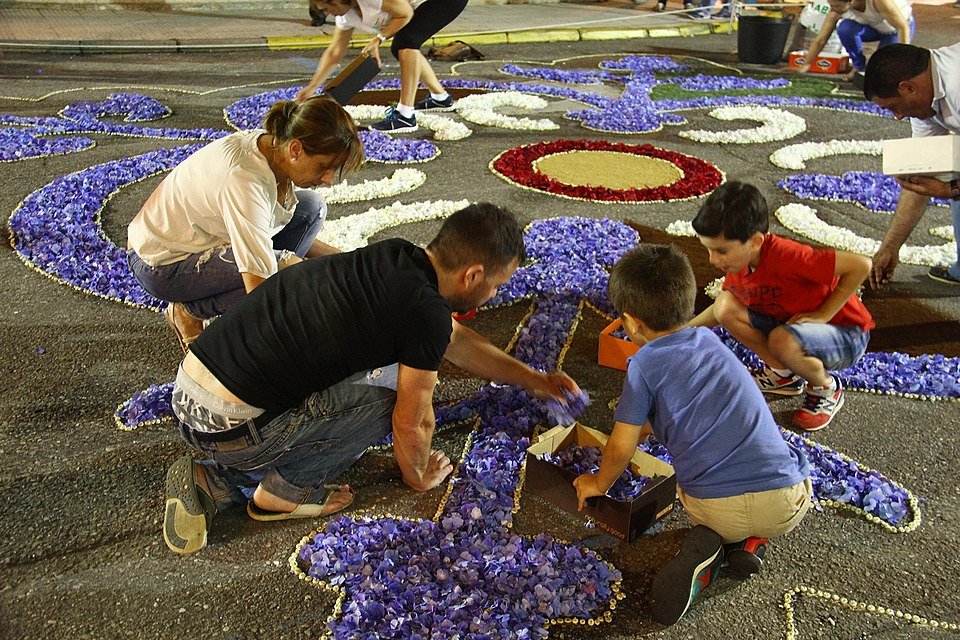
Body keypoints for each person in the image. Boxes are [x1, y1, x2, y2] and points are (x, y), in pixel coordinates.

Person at [162, 203, 581, 555]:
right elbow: (413, 421)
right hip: (235, 428)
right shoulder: (424, 314)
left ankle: (212, 479)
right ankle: (285, 490)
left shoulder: (396, 256)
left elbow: (453, 340)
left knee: (383, 371)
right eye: (496, 285)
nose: (494, 295)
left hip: (191, 396)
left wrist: (533, 379)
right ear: (472, 275)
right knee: (393, 397)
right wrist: (417, 474)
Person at [573, 244, 811, 626]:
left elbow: (622, 444)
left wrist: (597, 483)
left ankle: (716, 543)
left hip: (712, 507)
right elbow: (699, 401)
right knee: (782, 467)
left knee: (701, 491)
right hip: (785, 504)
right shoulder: (711, 343)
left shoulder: (643, 364)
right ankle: (751, 542)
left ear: (631, 324)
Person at [127, 96, 363, 351]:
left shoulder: (272, 147)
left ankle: (219, 296)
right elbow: (259, 289)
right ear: (296, 150)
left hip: (194, 237)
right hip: (161, 264)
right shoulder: (246, 182)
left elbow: (261, 232)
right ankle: (190, 311)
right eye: (324, 167)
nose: (328, 180)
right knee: (286, 271)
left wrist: (349, 262)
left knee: (310, 209)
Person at [688, 182, 874, 431]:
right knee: (724, 306)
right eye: (709, 250)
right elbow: (719, 311)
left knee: (781, 340)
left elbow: (861, 265)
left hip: (847, 333)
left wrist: (823, 314)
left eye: (721, 251)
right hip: (793, 328)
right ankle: (782, 375)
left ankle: (826, 387)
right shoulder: (741, 262)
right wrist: (682, 330)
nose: (712, 260)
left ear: (755, 241)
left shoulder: (789, 256)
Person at [863, 43, 960, 288]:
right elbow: (920, 174)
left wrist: (951, 190)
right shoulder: (926, 96)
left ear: (908, 88)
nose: (897, 116)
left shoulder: (956, 87)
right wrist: (890, 247)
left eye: (892, 107)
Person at [295, 0, 467, 133]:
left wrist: (378, 40)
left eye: (326, 8)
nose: (326, 14)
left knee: (406, 42)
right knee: (401, 47)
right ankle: (441, 98)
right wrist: (312, 87)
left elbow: (405, 13)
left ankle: (405, 115)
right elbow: (335, 52)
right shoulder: (345, 16)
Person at [793, 0, 912, 81]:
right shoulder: (835, 11)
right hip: (872, 28)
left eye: (837, 6)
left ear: (851, 1)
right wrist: (806, 65)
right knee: (845, 28)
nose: (833, 9)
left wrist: (902, 61)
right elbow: (821, 39)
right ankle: (858, 67)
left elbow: (903, 28)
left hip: (896, 30)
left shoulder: (879, 2)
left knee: (884, 72)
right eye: (831, 5)